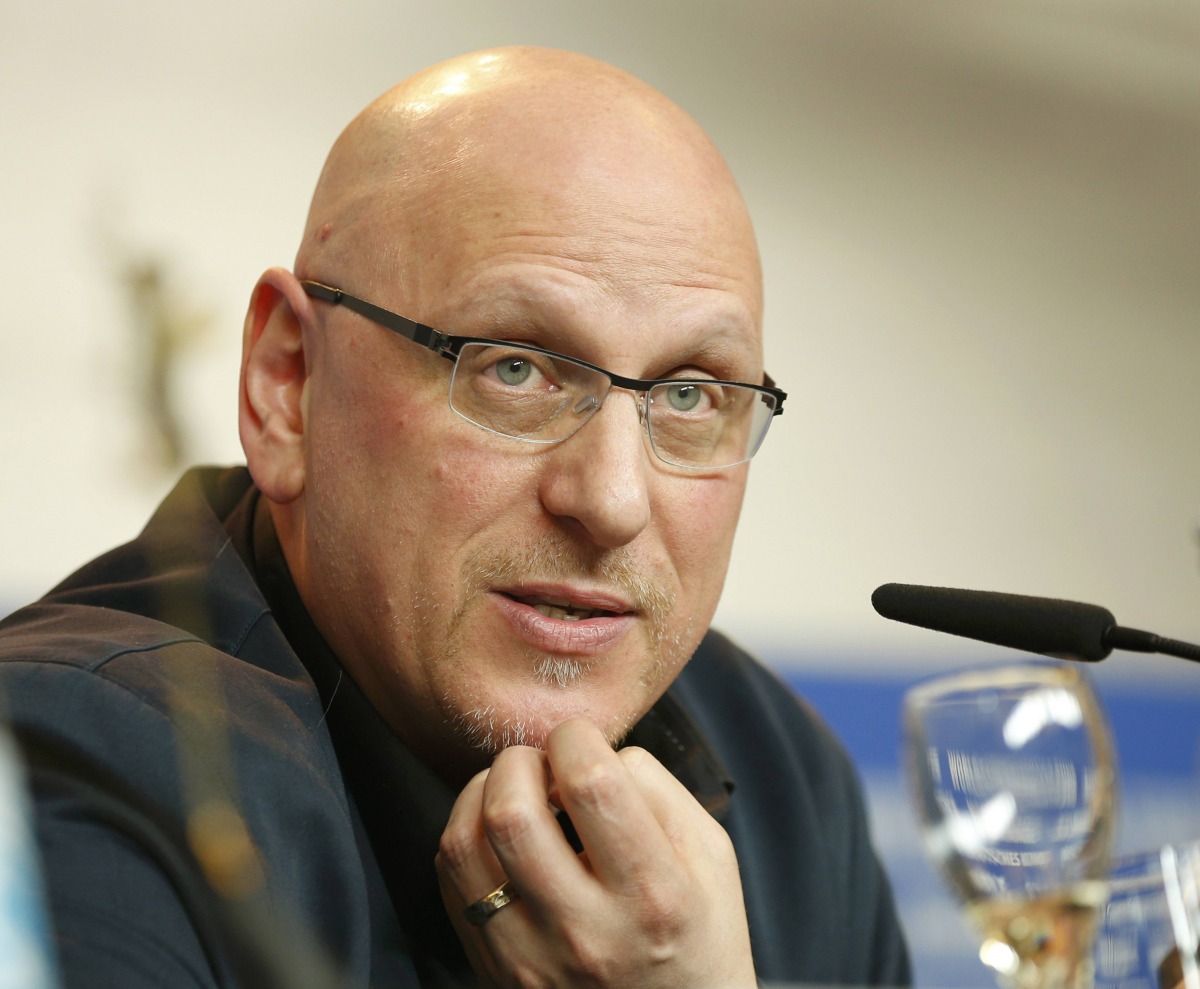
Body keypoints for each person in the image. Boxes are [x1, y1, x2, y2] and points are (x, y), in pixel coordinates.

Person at [0, 47, 910, 988]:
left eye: (689, 395)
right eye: (514, 366)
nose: (610, 501)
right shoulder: (76, 776)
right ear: (289, 386)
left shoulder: (780, 773)